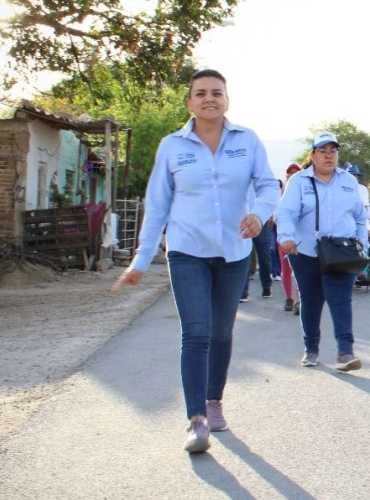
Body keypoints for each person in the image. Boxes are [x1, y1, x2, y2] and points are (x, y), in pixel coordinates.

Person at [111, 69, 279, 453]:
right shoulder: (172, 146)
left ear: (227, 100)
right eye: (200, 93)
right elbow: (157, 205)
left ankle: (214, 400)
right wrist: (141, 258)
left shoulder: (247, 141)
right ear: (189, 102)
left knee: (221, 332)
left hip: (234, 252)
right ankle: (196, 420)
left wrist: (259, 211)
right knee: (197, 332)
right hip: (186, 251)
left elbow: (268, 184)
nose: (209, 99)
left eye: (216, 93)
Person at [275, 131, 368, 372]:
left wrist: (362, 244)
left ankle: (345, 352)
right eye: (323, 151)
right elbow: (286, 213)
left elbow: (360, 217)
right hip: (305, 252)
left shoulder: (349, 182)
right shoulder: (299, 182)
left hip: (341, 254)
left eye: (333, 151)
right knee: (311, 300)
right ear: (313, 155)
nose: (328, 156)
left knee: (341, 300)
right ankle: (311, 349)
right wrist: (286, 236)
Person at [279, 162, 302, 312]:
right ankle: (289, 298)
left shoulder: (304, 191)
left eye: (295, 171)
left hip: (300, 237)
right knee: (286, 269)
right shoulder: (279, 193)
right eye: (290, 172)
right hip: (282, 237)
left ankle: (300, 300)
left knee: (300, 269)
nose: (292, 174)